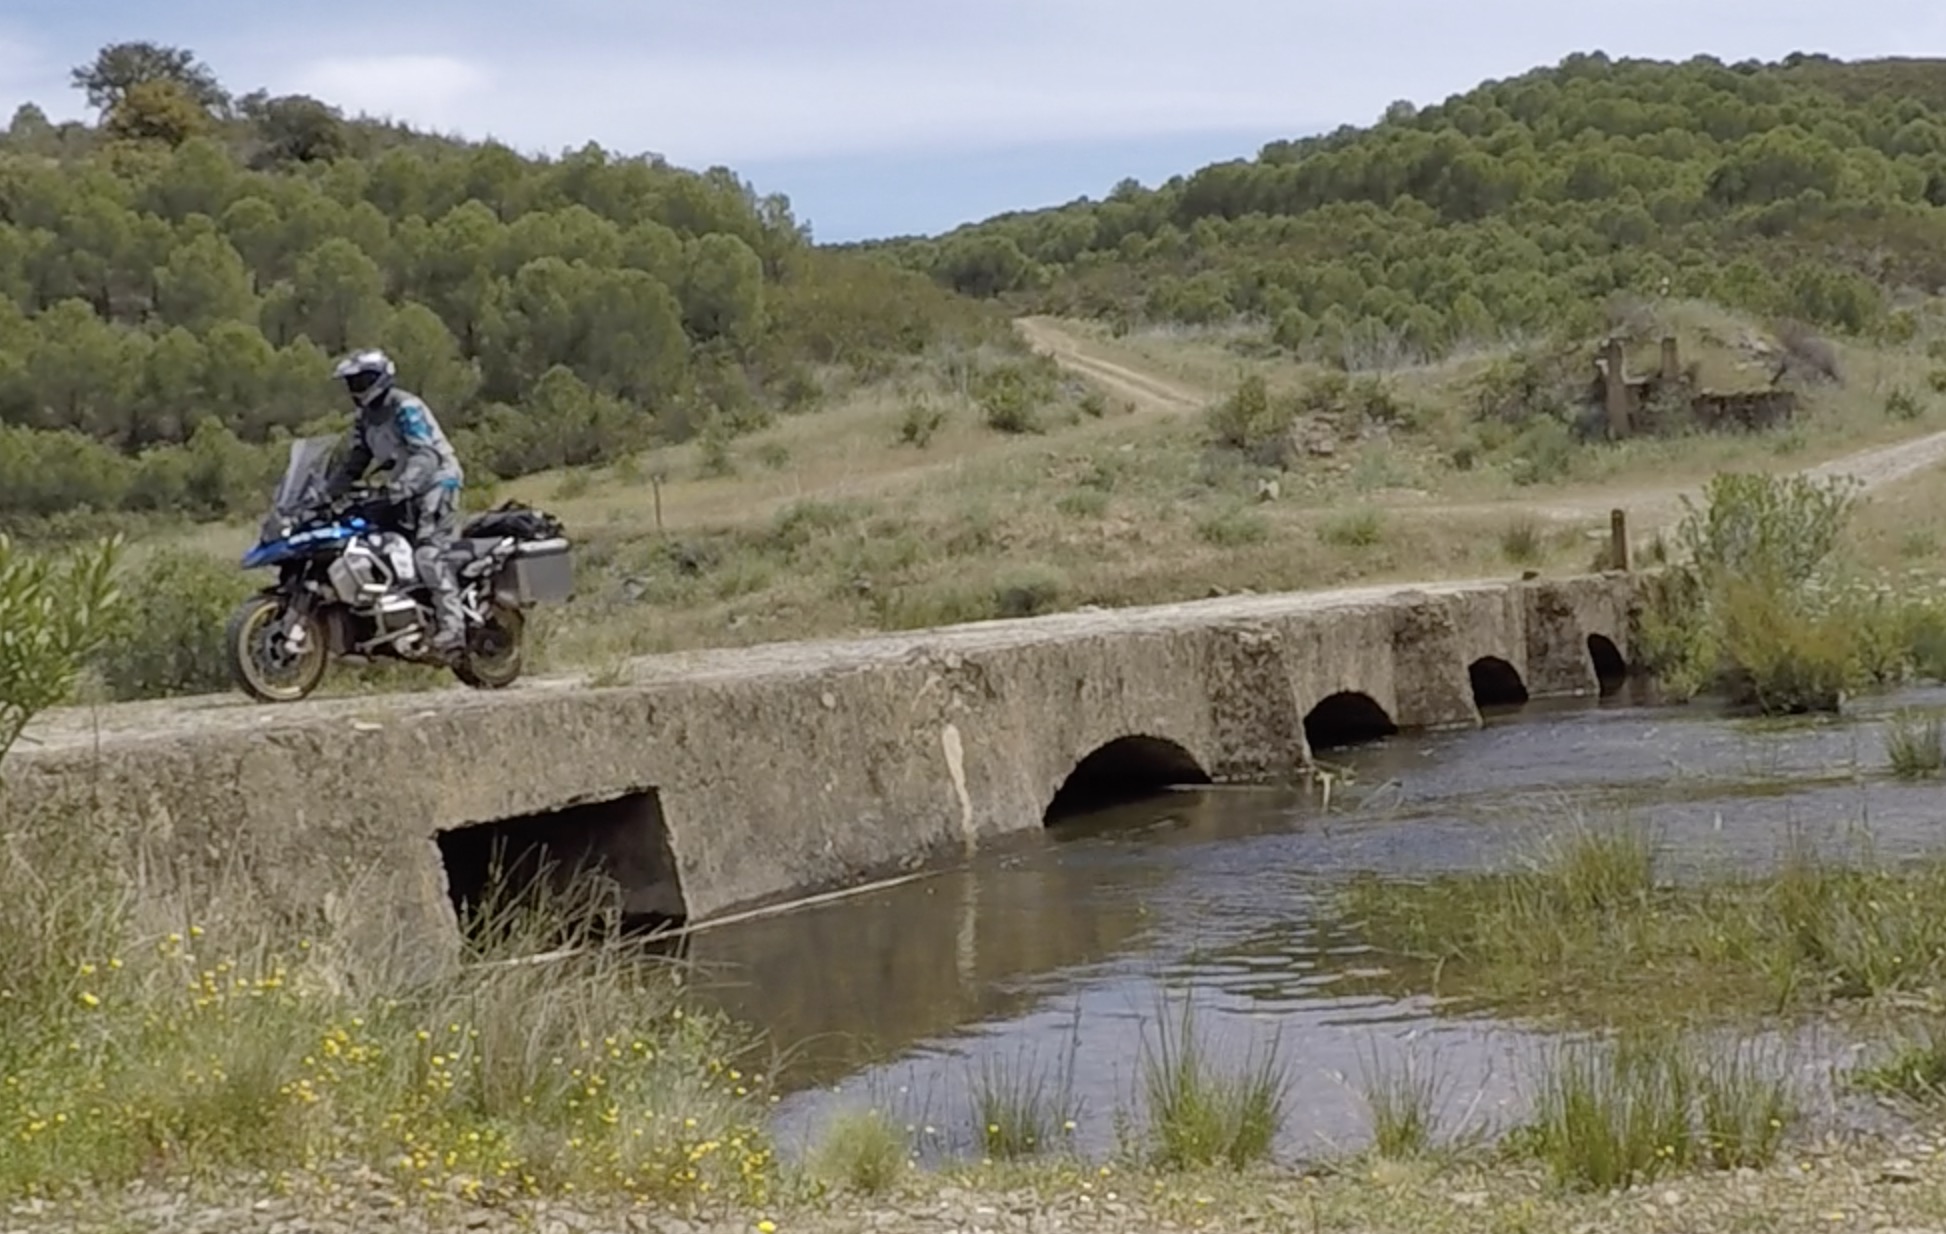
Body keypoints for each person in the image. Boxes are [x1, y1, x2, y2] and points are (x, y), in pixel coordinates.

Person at [323, 348, 467, 660]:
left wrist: (402, 486)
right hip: (400, 488)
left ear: (381, 378)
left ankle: (453, 628)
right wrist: (324, 494)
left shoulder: (405, 407)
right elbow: (355, 462)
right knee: (378, 547)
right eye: (352, 382)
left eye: (362, 380)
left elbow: (425, 454)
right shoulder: (364, 419)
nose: (356, 387)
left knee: (427, 552)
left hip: (437, 482)